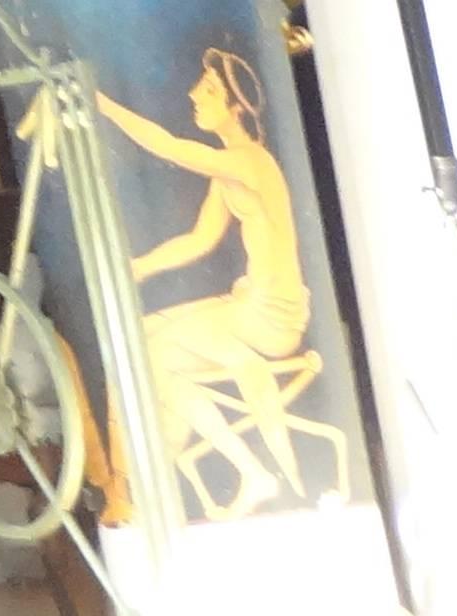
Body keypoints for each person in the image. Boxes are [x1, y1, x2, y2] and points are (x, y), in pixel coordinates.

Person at [100, 45, 323, 515]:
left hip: (270, 314)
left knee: (157, 353)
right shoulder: (231, 168)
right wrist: (141, 266)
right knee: (146, 334)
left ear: (237, 107)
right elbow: (199, 240)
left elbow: (166, 146)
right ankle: (172, 467)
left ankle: (252, 475)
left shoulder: (250, 162)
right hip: (252, 305)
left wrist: (98, 102)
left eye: (208, 90)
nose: (193, 96)